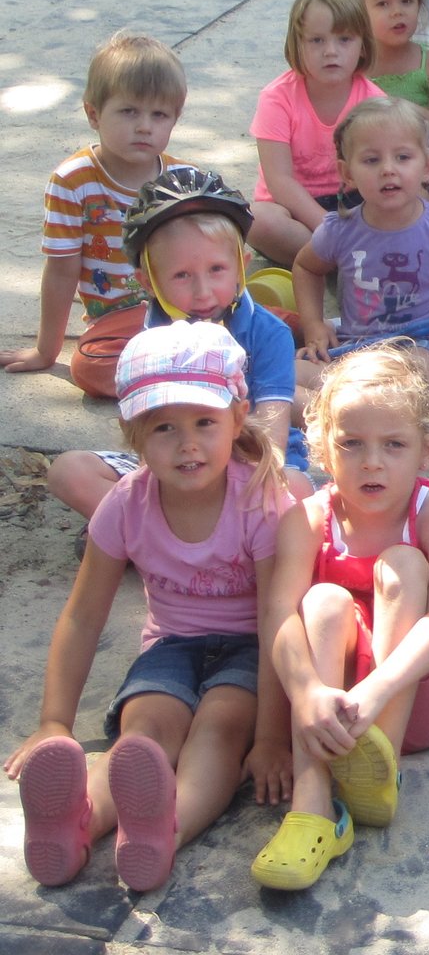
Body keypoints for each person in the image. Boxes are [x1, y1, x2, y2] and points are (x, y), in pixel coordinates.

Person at [7, 323, 292, 892]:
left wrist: (272, 737)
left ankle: (166, 827)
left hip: (251, 650)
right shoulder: (124, 504)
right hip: (169, 648)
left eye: (204, 423)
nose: (187, 443)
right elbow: (83, 615)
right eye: (164, 427)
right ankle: (72, 824)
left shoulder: (260, 500)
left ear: (237, 419)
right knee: (144, 733)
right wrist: (54, 722)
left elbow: (276, 619)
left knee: (219, 727)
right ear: (133, 435)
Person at [257, 347, 429, 889]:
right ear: (323, 451)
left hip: (416, 695)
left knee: (401, 564)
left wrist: (376, 691)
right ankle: (312, 813)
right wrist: (307, 691)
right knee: (322, 602)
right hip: (334, 708)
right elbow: (278, 613)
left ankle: (383, 768)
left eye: (393, 445)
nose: (371, 462)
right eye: (351, 444)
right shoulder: (307, 519)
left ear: (426, 452)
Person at [45, 169, 310, 521]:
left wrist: (225, 486)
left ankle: (158, 536)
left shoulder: (268, 333)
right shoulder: (148, 338)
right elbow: (142, 433)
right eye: (182, 275)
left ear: (241, 268)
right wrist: (165, 484)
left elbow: (272, 433)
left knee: (296, 489)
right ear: (148, 282)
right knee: (68, 471)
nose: (202, 292)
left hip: (252, 465)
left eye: (217, 269)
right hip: (172, 468)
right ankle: (168, 533)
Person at [291, 97, 429, 459]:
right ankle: (347, 418)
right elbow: (306, 267)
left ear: (428, 166)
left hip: (424, 346)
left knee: (410, 384)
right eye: (371, 160)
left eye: (403, 157)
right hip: (355, 349)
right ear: (346, 173)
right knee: (279, 377)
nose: (388, 170)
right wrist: (314, 323)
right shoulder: (340, 229)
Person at [3, 31, 184, 397]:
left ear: (174, 120)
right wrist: (46, 350)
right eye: (129, 110)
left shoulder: (183, 180)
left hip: (186, 310)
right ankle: (199, 372)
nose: (145, 125)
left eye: (159, 114)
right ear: (93, 113)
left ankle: (310, 334)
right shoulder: (73, 182)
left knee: (263, 320)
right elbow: (61, 269)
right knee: (88, 368)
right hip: (116, 324)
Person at [247, 0, 386, 266]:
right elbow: (279, 180)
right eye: (317, 40)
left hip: (354, 201)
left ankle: (337, 258)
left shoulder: (372, 100)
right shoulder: (277, 98)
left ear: (363, 44)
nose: (331, 51)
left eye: (344, 39)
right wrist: (326, 226)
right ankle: (343, 259)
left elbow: (380, 169)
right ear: (298, 45)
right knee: (257, 219)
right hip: (292, 208)